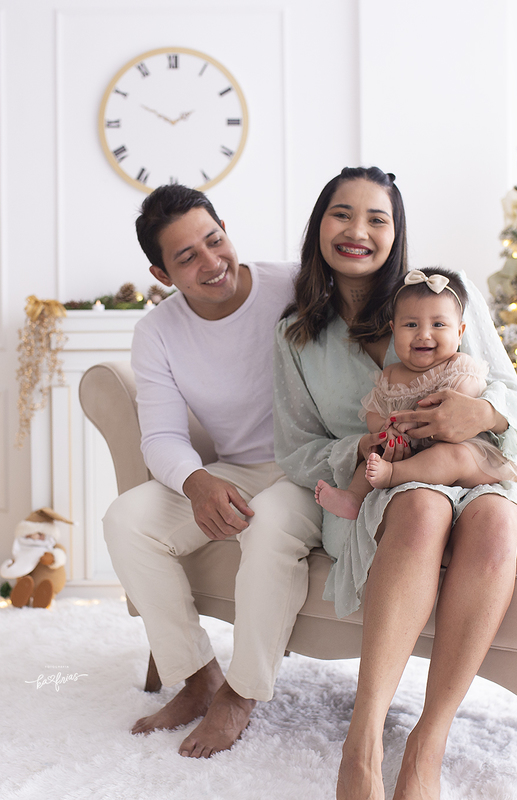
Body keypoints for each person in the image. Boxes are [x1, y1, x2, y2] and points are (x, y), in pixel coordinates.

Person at [272, 167, 517, 799]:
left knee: (496, 519)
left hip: (477, 468)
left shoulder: (447, 296)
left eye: (376, 218)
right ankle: (362, 742)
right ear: (319, 225)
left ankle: (426, 747)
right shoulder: (297, 333)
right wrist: (361, 447)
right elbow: (296, 450)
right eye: (341, 214)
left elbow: (513, 399)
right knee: (422, 507)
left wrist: (482, 414)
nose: (357, 231)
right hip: (381, 485)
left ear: (396, 231)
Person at [103, 183, 323, 759]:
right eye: (187, 257)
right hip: (239, 468)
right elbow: (162, 437)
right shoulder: (157, 332)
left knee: (269, 524)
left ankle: (241, 695)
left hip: (309, 467)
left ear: (225, 229)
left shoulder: (295, 284)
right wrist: (197, 481)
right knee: (126, 520)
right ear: (161, 273)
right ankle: (197, 677)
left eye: (213, 240)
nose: (211, 262)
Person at [314, 267, 517, 521]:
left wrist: (415, 420)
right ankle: (354, 498)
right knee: (372, 456)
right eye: (411, 324)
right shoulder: (390, 375)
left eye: (438, 324)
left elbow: (464, 396)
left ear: (459, 332)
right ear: (394, 329)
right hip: (411, 454)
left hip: (466, 456)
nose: (423, 334)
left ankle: (392, 475)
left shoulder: (458, 365)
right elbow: (374, 409)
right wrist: (384, 430)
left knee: (448, 456)